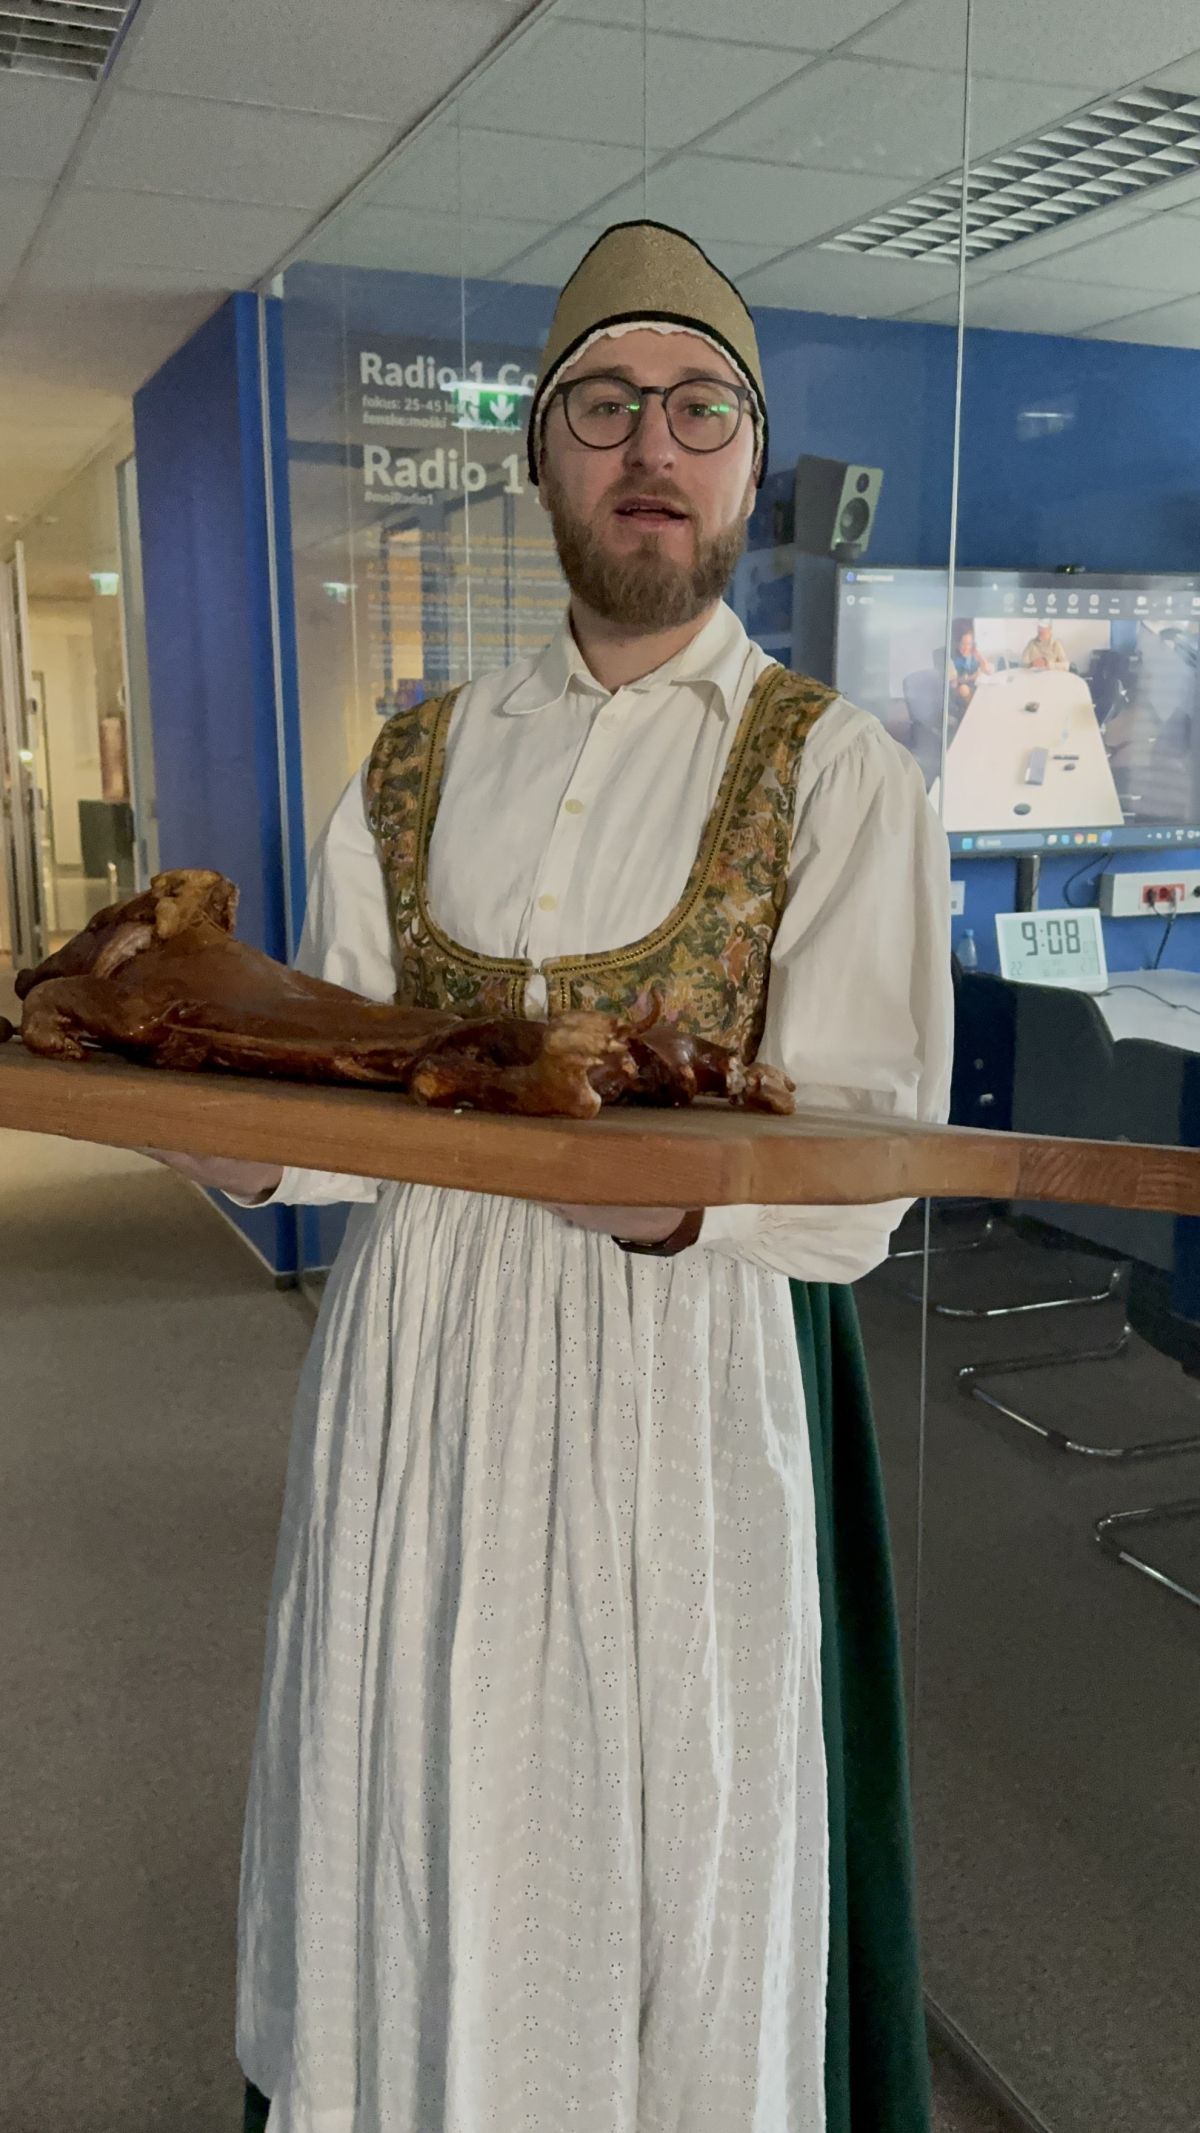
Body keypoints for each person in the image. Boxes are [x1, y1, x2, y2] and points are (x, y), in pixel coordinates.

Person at [151, 221, 952, 2133]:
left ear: (749, 458)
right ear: (541, 457)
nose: (649, 444)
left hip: (683, 1388)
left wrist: (651, 1190)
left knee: (663, 1841)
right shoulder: (413, 762)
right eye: (602, 403)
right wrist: (218, 1132)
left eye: (697, 408)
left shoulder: (838, 772)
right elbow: (336, 1116)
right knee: (408, 1775)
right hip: (421, 1376)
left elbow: (865, 1175)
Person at [949, 619, 992, 708]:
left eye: (969, 644)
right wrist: (972, 677)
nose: (966, 648)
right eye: (963, 644)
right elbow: (954, 683)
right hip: (961, 690)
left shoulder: (974, 653)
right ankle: (977, 708)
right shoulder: (953, 659)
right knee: (963, 689)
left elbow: (988, 670)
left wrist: (982, 659)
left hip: (976, 686)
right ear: (957, 643)